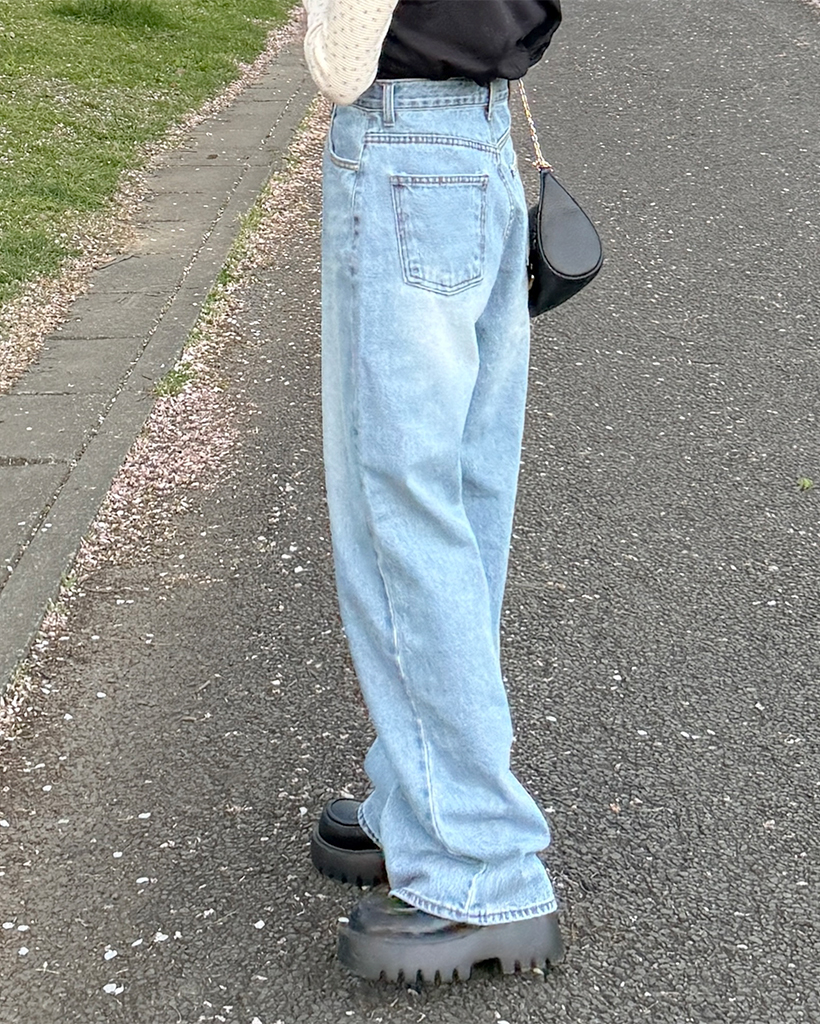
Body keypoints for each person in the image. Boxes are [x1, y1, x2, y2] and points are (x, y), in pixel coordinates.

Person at [303, 0, 564, 983]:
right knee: (456, 501)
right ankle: (424, 798)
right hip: (479, 136)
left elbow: (343, 54)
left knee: (398, 516)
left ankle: (477, 864)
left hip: (404, 137)